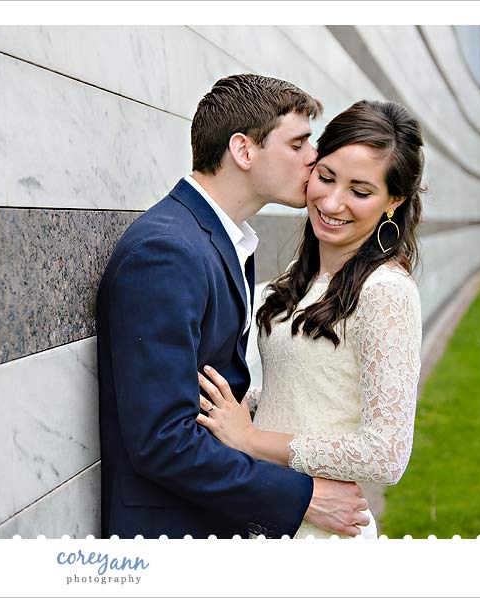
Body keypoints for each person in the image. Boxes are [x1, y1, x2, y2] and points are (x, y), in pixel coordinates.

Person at [96, 74, 371, 539]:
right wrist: (302, 497)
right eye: (299, 143)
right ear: (244, 151)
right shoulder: (166, 253)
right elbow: (163, 441)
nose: (314, 159)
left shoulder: (221, 241)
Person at [197, 99, 424, 538]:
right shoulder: (302, 275)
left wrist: (249, 438)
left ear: (393, 201)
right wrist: (243, 402)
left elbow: (385, 453)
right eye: (326, 177)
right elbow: (311, 389)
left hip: (322, 532)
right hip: (271, 510)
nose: (333, 202)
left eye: (360, 191)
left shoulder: (386, 292)